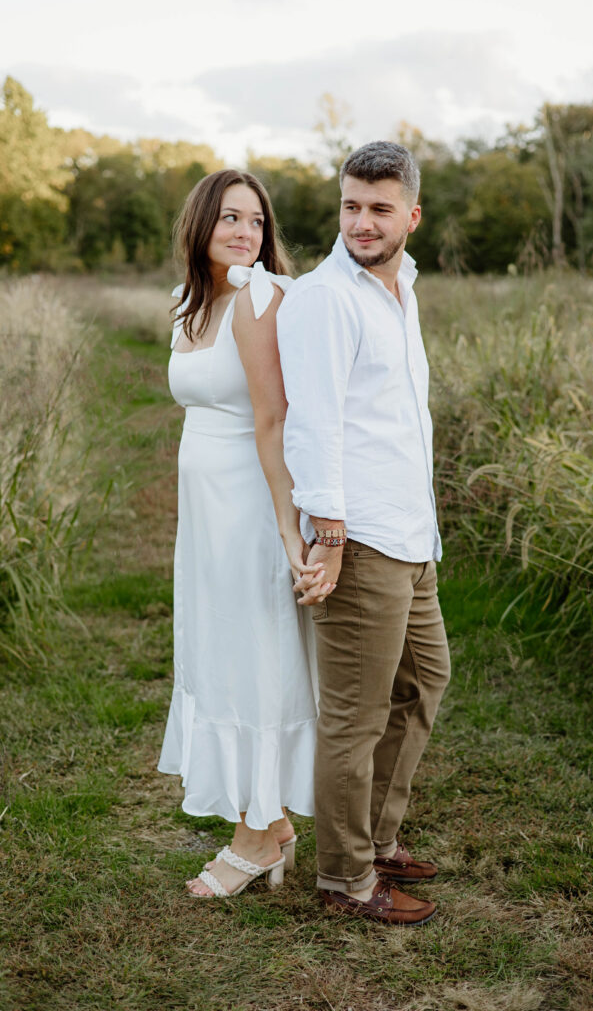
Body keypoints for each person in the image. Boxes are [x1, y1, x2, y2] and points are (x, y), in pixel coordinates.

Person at [277, 141, 451, 925]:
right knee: (355, 715)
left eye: (379, 208)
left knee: (422, 684)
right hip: (364, 537)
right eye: (351, 205)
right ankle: (345, 879)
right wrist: (331, 535)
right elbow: (313, 423)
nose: (361, 221)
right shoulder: (325, 297)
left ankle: (377, 840)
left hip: (413, 533)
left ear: (411, 215)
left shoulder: (401, 288)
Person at [158, 169, 320, 898]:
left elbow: (272, 418)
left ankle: (256, 837)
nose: (246, 233)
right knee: (219, 648)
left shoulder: (259, 299)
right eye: (230, 218)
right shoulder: (187, 306)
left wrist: (289, 529)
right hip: (205, 514)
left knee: (257, 652)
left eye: (256, 221)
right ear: (201, 225)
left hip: (252, 505)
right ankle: (270, 824)